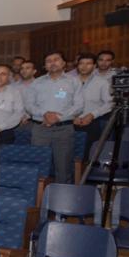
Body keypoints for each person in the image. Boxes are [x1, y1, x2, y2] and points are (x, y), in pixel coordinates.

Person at [26, 52, 83, 184]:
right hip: (40, 129)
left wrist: (58, 117)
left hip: (64, 129)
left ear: (63, 63)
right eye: (48, 61)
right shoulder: (36, 83)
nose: (52, 63)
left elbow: (79, 106)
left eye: (56, 60)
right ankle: (37, 194)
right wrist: (44, 114)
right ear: (45, 66)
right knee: (37, 165)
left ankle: (62, 195)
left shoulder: (74, 81)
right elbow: (29, 105)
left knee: (64, 167)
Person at [72, 53, 113, 161]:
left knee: (90, 155)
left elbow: (109, 103)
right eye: (81, 63)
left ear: (94, 66)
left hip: (92, 122)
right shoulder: (69, 82)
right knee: (70, 155)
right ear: (77, 66)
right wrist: (72, 116)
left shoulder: (102, 82)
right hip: (70, 123)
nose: (84, 66)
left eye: (88, 63)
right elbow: (62, 102)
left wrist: (92, 115)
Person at [0, 64, 26, 144]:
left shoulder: (15, 93)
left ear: (9, 77)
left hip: (6, 132)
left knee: (5, 152)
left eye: (3, 74)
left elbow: (18, 113)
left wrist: (0, 127)